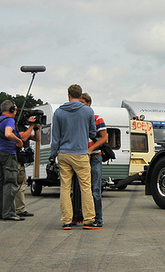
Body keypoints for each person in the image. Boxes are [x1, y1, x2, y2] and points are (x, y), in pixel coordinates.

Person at [49, 84, 99, 230]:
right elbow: (92, 133)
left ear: (68, 95)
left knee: (65, 187)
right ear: (81, 96)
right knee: (85, 187)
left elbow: (56, 138)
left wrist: (53, 156)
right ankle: (89, 220)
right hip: (81, 153)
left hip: (64, 154)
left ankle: (66, 221)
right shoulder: (88, 111)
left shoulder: (58, 112)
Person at [0, 101, 25, 221]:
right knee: (10, 182)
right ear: (11, 110)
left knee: (0, 183)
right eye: (15, 109)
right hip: (8, 154)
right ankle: (9, 213)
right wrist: (18, 141)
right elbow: (8, 133)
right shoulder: (9, 120)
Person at [79, 93, 107, 227]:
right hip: (79, 156)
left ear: (89, 104)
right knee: (79, 189)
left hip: (95, 156)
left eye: (83, 103)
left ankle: (98, 218)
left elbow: (104, 138)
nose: (80, 106)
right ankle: (78, 216)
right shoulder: (77, 120)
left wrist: (91, 149)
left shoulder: (97, 119)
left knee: (95, 188)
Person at [14, 115, 41, 218]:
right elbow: (23, 137)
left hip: (22, 161)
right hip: (17, 161)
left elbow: (37, 139)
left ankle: (20, 208)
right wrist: (31, 126)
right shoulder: (18, 128)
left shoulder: (25, 129)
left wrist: (35, 128)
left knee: (22, 185)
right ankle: (19, 209)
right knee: (20, 185)